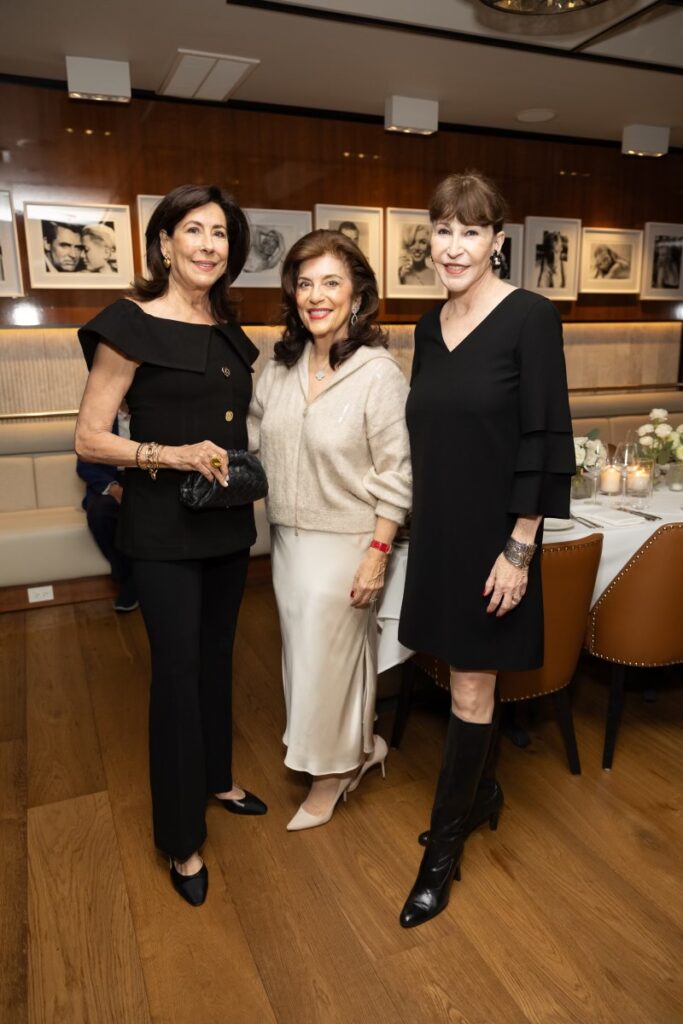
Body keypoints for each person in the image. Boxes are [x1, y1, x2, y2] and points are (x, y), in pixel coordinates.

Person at [75, 184, 267, 907]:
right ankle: (181, 839)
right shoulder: (130, 324)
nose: (209, 245)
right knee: (177, 675)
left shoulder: (226, 326)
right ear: (164, 242)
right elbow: (89, 438)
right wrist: (171, 454)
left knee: (217, 661)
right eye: (194, 230)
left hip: (225, 522)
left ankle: (216, 779)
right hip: (161, 531)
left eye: (220, 233)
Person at [398, 171, 575, 929]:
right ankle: (483, 795)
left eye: (470, 231)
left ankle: (440, 855)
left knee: (471, 689)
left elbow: (544, 435)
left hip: (496, 540)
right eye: (442, 230)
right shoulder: (425, 327)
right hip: (439, 532)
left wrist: (519, 546)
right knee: (459, 679)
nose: (454, 246)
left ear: (496, 241)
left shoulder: (529, 317)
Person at [248, 229, 411, 831]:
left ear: (357, 295)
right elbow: (253, 439)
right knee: (303, 659)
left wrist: (377, 552)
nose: (316, 296)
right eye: (305, 284)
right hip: (287, 541)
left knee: (331, 666)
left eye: (331, 283)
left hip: (349, 541)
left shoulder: (379, 374)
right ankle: (363, 749)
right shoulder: (280, 367)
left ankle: (331, 776)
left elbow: (398, 473)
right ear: (292, 295)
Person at [76, 408, 138, 612]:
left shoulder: (150, 414)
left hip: (144, 480)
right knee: (100, 514)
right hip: (110, 481)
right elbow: (84, 466)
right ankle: (127, 579)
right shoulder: (100, 418)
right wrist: (114, 488)